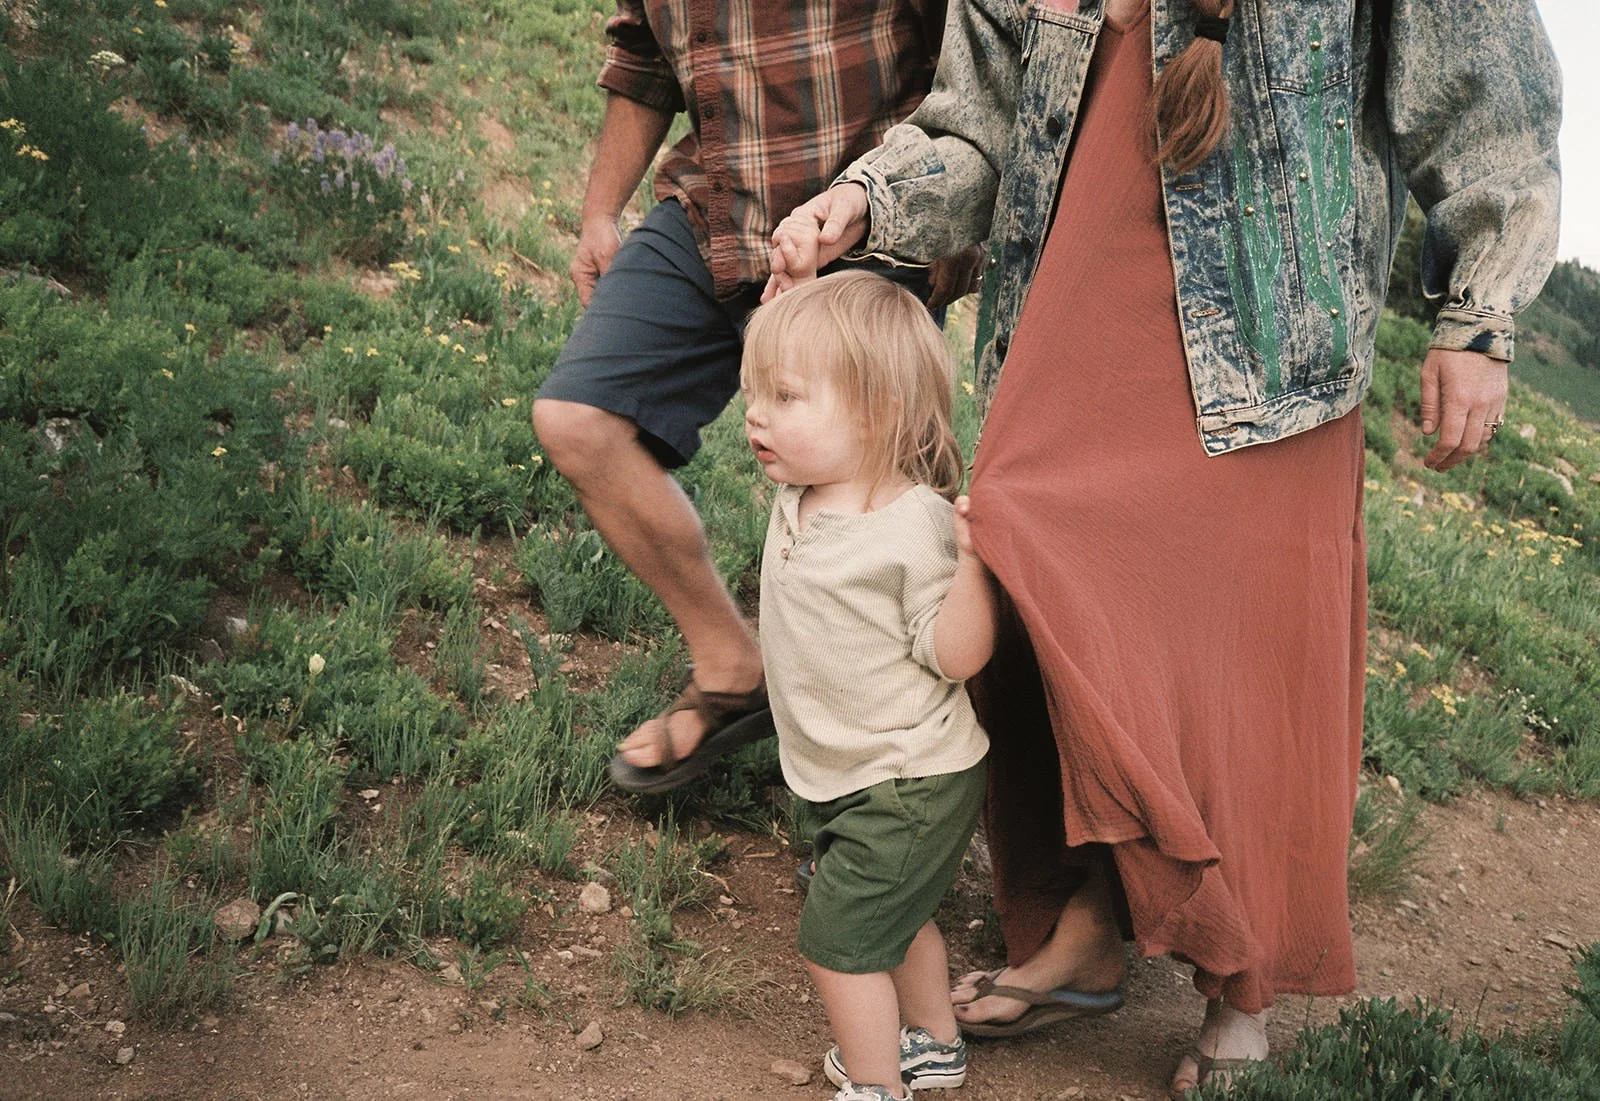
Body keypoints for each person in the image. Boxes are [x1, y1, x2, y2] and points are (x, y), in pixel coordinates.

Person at [765, 0, 1560, 1093]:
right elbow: (974, 123)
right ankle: (1094, 924)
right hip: (1064, 307)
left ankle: (1241, 995)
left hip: (1276, 339)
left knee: (1231, 656)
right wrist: (863, 197)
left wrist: (1478, 313)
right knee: (1023, 559)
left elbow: (1484, 97)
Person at [531, 0, 982, 794]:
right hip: (716, 209)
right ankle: (733, 665)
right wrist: (602, 208)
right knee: (576, 419)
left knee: (870, 522)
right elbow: (643, 51)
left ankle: (883, 786)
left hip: (867, 222)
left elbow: (969, 58)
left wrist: (917, 214)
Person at [742, 270, 996, 1101]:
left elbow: (955, 655)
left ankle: (878, 1083)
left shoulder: (912, 522)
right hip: (855, 770)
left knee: (838, 940)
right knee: (896, 915)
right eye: (754, 393)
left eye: (784, 395)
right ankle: (935, 1043)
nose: (756, 414)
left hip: (912, 780)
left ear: (876, 414)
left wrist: (973, 567)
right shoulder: (803, 491)